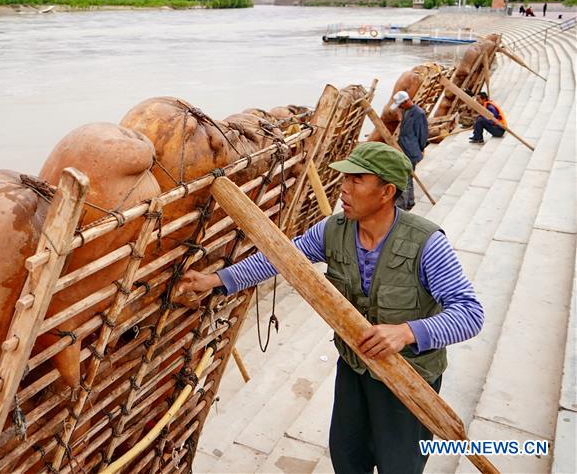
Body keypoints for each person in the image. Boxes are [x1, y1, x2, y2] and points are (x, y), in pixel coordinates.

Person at [175, 142, 484, 474]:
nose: (344, 189)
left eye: (356, 180)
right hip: (355, 369)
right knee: (347, 456)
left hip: (408, 380)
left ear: (386, 192)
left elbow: (469, 313)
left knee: (400, 465)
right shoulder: (332, 231)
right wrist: (217, 280)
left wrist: (407, 332)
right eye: (344, 179)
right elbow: (282, 258)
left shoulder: (426, 244)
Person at [390, 91, 428, 211]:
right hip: (404, 149)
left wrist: (421, 149)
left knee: (404, 177)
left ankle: (402, 206)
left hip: (411, 151)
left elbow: (422, 134)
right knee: (408, 176)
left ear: (406, 101)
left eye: (401, 105)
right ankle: (410, 201)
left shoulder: (419, 114)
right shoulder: (406, 111)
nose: (400, 107)